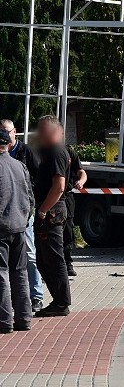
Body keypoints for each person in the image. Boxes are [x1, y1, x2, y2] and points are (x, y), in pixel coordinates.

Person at [1, 118, 43, 312]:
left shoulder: (26, 153)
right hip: (17, 218)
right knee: (17, 268)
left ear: (14, 132)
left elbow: (34, 185)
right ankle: (23, 313)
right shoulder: (17, 163)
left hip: (16, 218)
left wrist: (29, 214)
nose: (6, 134)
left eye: (8, 130)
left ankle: (34, 297)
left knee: (26, 258)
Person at [33, 116, 72, 318]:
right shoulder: (53, 152)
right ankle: (58, 300)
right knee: (43, 259)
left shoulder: (57, 152)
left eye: (43, 131)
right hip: (51, 210)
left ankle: (61, 302)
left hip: (52, 212)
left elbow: (59, 187)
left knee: (53, 259)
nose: (39, 135)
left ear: (55, 132)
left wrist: (42, 211)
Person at [0, 129, 34, 333]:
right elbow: (30, 198)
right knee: (20, 273)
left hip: (1, 228)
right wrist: (24, 217)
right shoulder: (19, 166)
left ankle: (4, 321)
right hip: (19, 226)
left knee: (1, 273)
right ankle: (24, 319)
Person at [63, 146, 86, 277]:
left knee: (68, 231)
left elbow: (81, 172)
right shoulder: (43, 151)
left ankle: (68, 263)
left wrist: (81, 181)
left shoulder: (69, 152)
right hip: (49, 197)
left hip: (67, 196)